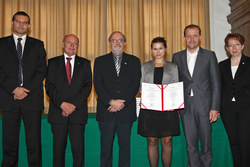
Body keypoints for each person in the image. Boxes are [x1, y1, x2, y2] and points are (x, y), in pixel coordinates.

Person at [0, 11, 46, 167]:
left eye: (25, 22)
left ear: (29, 25)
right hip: (8, 99)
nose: (21, 24)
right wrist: (14, 89)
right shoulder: (0, 44)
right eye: (18, 21)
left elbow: (42, 70)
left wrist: (24, 90)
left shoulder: (38, 44)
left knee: (34, 144)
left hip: (31, 100)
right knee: (9, 143)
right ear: (12, 23)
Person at [172, 24, 220, 167]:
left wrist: (214, 108)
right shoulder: (177, 57)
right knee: (190, 145)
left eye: (195, 35)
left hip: (205, 107)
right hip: (185, 108)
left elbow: (216, 83)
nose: (191, 39)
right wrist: (176, 106)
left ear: (200, 37)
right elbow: (175, 84)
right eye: (188, 36)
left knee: (206, 145)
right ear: (184, 38)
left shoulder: (209, 55)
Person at [93, 31, 141, 167]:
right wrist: (111, 101)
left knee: (125, 149)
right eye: (114, 40)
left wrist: (120, 103)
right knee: (106, 149)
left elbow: (134, 84)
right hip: (106, 111)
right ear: (109, 43)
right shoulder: (100, 61)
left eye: (120, 40)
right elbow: (97, 84)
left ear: (125, 43)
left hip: (126, 111)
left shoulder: (134, 61)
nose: (117, 43)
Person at [45, 34, 92, 167]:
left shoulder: (85, 63)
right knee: (58, 152)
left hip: (77, 114)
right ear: (62, 44)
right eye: (69, 42)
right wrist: (62, 105)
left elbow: (87, 87)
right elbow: (49, 86)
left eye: (75, 43)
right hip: (58, 114)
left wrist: (72, 106)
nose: (72, 46)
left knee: (78, 153)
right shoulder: (53, 63)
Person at [138, 37, 180, 167]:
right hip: (150, 109)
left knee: (167, 141)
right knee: (151, 141)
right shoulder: (145, 66)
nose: (158, 51)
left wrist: (173, 104)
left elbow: (175, 88)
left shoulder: (173, 67)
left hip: (168, 110)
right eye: (155, 48)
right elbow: (141, 88)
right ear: (151, 50)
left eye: (160, 48)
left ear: (165, 49)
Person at [219, 33, 250, 167]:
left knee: (245, 141)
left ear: (242, 46)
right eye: (230, 45)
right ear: (227, 48)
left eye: (237, 44)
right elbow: (219, 87)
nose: (234, 48)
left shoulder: (249, 63)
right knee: (233, 141)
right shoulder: (221, 65)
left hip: (245, 108)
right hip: (227, 108)